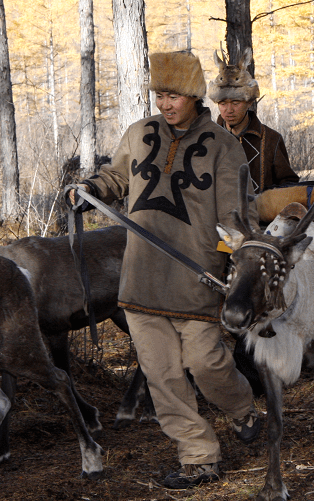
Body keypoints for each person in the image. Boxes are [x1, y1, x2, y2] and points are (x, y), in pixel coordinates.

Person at [66, 51, 261, 490]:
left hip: (196, 278)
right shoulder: (139, 134)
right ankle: (198, 456)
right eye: (159, 94)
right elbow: (117, 178)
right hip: (142, 279)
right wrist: (90, 188)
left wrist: (237, 258)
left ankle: (243, 408)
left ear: (194, 95)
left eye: (173, 95)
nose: (165, 103)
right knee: (164, 376)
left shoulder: (223, 146)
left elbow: (234, 213)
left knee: (207, 363)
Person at [208, 60, 299, 193]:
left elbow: (288, 185)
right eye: (222, 103)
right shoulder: (210, 140)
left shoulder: (271, 140)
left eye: (235, 102)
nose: (229, 110)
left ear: (249, 102)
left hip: (260, 213)